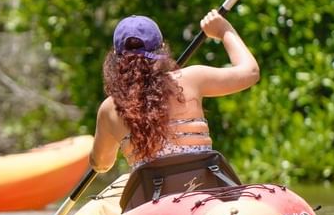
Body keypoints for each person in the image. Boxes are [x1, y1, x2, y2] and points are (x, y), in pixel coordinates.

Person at [88, 10, 259, 174]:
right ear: (162, 49)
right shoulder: (193, 78)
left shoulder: (109, 108)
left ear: (116, 60)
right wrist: (223, 30)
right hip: (203, 185)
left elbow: (101, 164)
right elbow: (250, 73)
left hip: (152, 197)